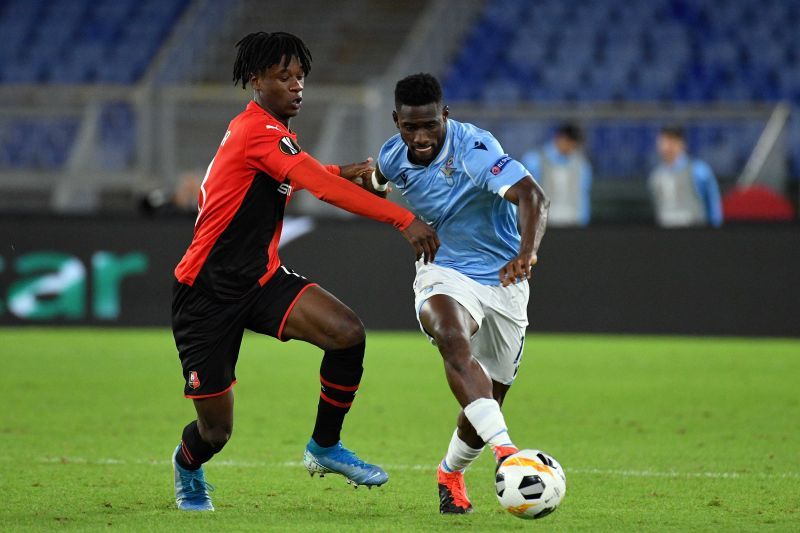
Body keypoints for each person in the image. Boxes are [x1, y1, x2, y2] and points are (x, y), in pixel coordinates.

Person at [170, 32, 439, 511]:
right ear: (255, 80)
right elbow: (315, 185)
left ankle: (324, 446)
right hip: (206, 295)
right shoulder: (258, 131)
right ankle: (187, 466)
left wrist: (346, 170)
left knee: (346, 333)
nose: (296, 86)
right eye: (283, 76)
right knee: (216, 432)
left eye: (300, 76)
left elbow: (303, 174)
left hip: (260, 279)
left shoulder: (272, 133)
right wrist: (404, 219)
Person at [361, 73, 549, 514]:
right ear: (396, 122)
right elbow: (376, 181)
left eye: (430, 125)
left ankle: (449, 471)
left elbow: (532, 196)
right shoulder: (393, 155)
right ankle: (508, 453)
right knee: (450, 334)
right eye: (411, 128)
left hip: (505, 280)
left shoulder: (475, 150)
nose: (421, 137)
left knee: (487, 398)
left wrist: (527, 254)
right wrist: (365, 183)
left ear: (445, 115)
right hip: (443, 271)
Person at [649, 126, 723, 227]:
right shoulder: (656, 177)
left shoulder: (698, 171)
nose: (666, 147)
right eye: (663, 142)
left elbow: (713, 206)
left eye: (671, 141)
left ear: (681, 143)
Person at [521, 123, 592, 226]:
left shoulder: (582, 165)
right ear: (560, 138)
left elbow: (582, 196)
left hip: (573, 223)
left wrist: (583, 223)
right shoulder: (534, 160)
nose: (571, 148)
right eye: (569, 142)